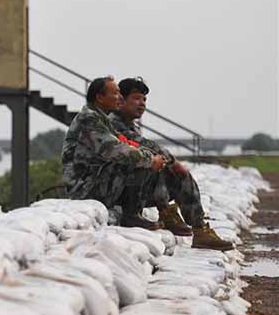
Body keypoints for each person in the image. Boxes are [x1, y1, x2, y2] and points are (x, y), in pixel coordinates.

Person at [109, 77, 233, 251]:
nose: (142, 104)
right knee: (157, 164)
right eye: (136, 98)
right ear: (121, 100)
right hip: (113, 189)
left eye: (144, 100)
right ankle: (172, 216)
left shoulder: (130, 125)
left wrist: (171, 165)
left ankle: (194, 226)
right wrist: (173, 162)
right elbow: (142, 146)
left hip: (128, 188)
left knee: (173, 172)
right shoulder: (113, 122)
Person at [61, 76, 167, 229]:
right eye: (116, 93)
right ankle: (131, 216)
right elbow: (116, 150)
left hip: (95, 181)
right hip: (83, 190)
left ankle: (160, 212)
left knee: (145, 159)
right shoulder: (89, 119)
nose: (120, 97)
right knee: (134, 161)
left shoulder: (102, 119)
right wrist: (151, 160)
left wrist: (152, 157)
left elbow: (124, 143)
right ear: (100, 97)